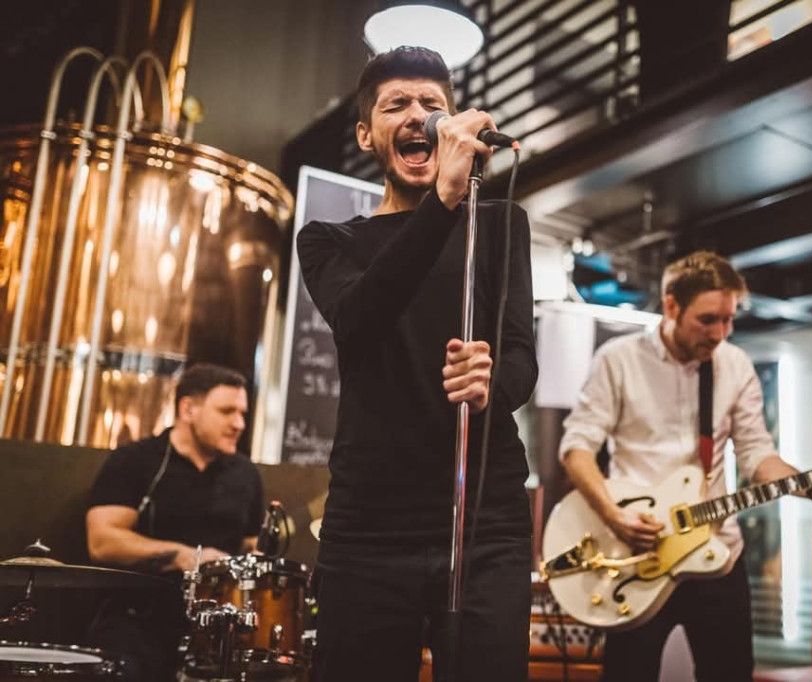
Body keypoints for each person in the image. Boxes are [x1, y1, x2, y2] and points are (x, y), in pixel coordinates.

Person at [296, 46, 537, 682]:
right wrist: (445, 200)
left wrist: (491, 384)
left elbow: (520, 357)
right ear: (365, 135)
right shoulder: (329, 241)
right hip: (370, 525)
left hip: (485, 522)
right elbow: (361, 318)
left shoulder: (501, 225)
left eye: (432, 104)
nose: (416, 115)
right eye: (395, 104)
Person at [559, 251, 812, 682]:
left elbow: (756, 453)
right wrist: (613, 515)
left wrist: (807, 485)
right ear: (671, 306)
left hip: (717, 553)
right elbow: (577, 448)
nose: (720, 333)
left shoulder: (733, 365)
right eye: (707, 320)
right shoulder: (618, 359)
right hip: (638, 551)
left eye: (728, 319)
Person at [85, 363, 264, 680]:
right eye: (226, 411)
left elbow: (249, 543)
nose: (238, 424)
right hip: (137, 621)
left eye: (242, 414)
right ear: (188, 409)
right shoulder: (135, 461)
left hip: (216, 632)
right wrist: (188, 557)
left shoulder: (246, 474)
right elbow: (102, 541)